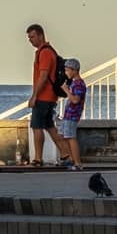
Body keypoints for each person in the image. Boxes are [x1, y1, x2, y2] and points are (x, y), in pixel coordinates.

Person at [26, 23, 65, 168]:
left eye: (33, 37)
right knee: (50, 126)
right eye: (29, 38)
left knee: (37, 126)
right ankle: (65, 154)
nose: (31, 40)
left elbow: (43, 76)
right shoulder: (48, 51)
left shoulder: (45, 53)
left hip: (44, 96)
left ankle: (37, 158)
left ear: (41, 35)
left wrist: (34, 96)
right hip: (50, 96)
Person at [56, 58, 86, 170]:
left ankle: (77, 163)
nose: (66, 73)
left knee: (70, 137)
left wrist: (66, 90)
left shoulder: (78, 84)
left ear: (75, 70)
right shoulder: (75, 83)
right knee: (62, 135)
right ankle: (70, 159)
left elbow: (75, 100)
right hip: (68, 115)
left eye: (68, 70)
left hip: (72, 115)